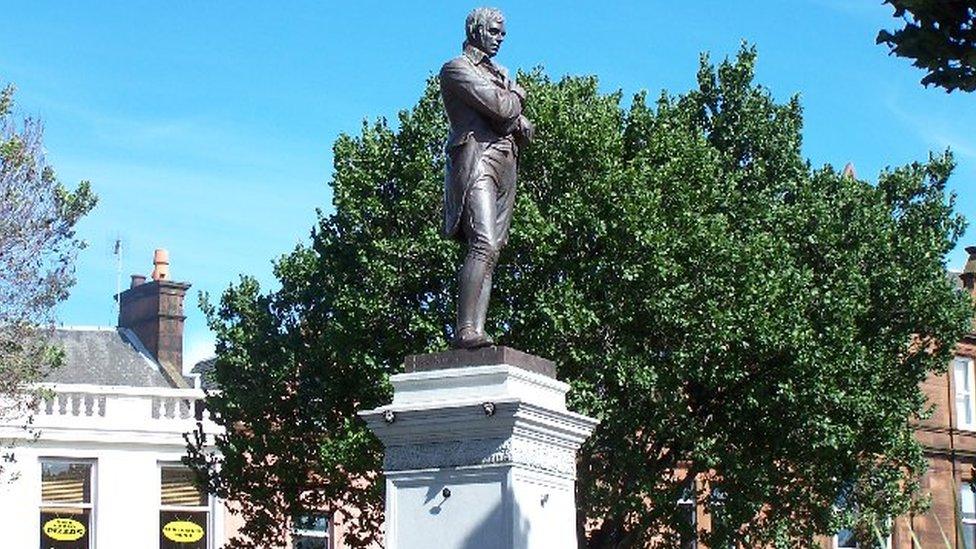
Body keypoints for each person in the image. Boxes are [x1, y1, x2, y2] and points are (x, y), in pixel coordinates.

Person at [440, 7, 534, 349]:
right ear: (476, 30)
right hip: (477, 157)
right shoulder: (457, 69)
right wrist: (517, 97)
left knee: (494, 249)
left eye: (503, 32)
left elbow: (523, 127)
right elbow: (503, 109)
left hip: (505, 162)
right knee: (483, 242)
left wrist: (512, 110)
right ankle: (465, 331)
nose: (500, 38)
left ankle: (476, 330)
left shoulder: (498, 73)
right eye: (494, 31)